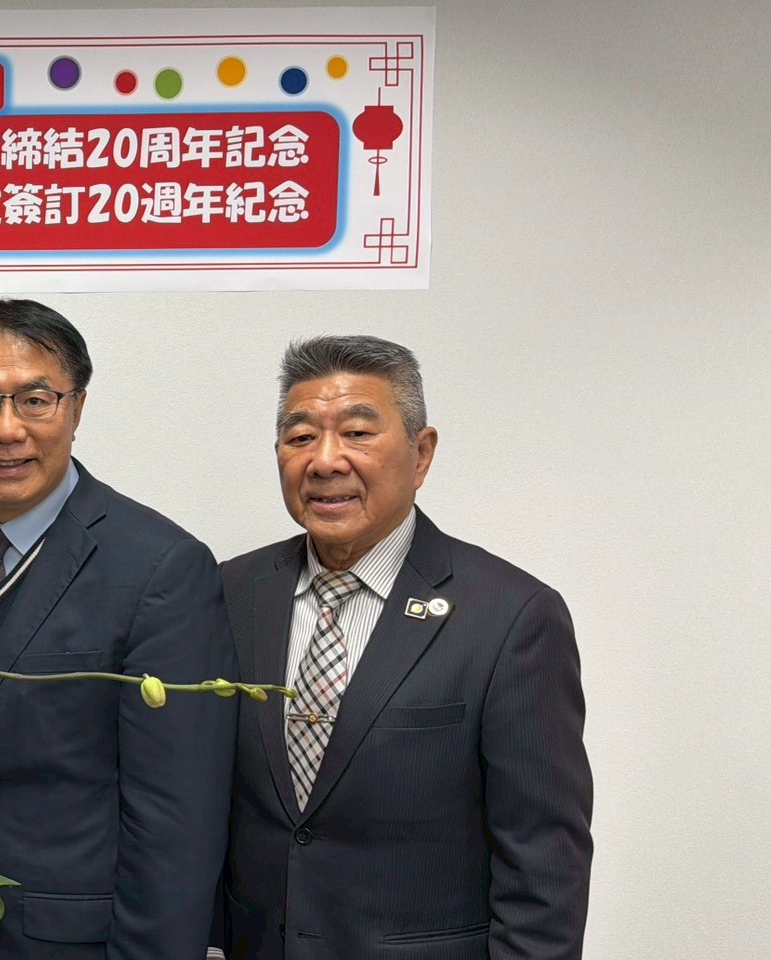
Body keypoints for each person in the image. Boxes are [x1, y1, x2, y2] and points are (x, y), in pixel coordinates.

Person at [220, 335, 594, 959]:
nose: (325, 461)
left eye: (358, 433)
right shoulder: (229, 593)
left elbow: (545, 864)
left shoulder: (512, 617)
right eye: (301, 436)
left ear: (421, 455)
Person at [0, 299, 236, 960]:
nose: (6, 429)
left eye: (36, 400)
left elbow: (178, 823)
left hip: (70, 941)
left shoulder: (162, 566)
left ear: (77, 408)